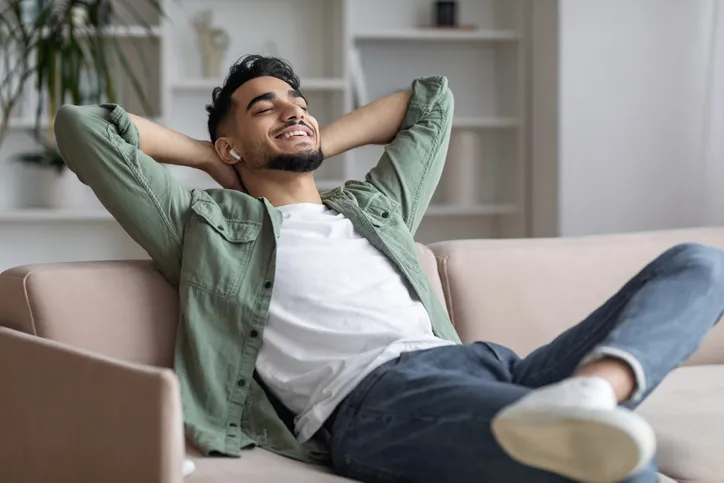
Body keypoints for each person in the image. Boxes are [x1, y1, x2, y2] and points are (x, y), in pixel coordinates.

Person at [54, 54, 724, 483]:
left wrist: (307, 137)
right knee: (617, 466)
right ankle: (581, 415)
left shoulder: (374, 206)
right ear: (231, 141)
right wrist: (210, 157)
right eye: (265, 105)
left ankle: (595, 390)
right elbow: (84, 127)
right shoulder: (207, 227)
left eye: (300, 100)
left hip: (489, 366)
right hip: (376, 403)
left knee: (702, 263)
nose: (293, 107)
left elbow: (430, 103)